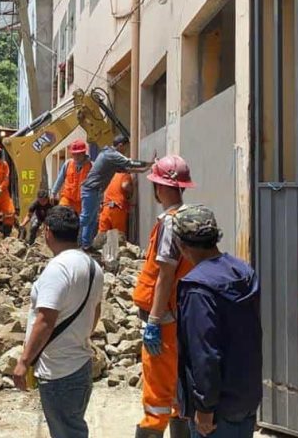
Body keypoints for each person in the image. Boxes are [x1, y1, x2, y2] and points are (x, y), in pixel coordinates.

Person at [172, 204, 262, 438]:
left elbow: (205, 353)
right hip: (245, 396)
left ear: (182, 245)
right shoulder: (243, 272)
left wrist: (204, 407)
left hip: (216, 411)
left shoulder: (197, 289)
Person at [13, 206, 103, 438]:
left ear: (47, 232)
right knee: (72, 428)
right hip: (80, 364)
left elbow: (45, 321)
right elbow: (96, 311)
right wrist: (79, 336)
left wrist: (24, 362)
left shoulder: (58, 269)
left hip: (59, 370)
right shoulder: (92, 267)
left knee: (66, 432)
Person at [132, 155, 197, 438]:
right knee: (175, 384)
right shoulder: (188, 217)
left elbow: (165, 275)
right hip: (177, 313)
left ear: (158, 187)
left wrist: (154, 321)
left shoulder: (170, 223)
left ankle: (151, 430)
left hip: (163, 315)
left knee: (158, 388)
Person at [78, 135, 147, 249]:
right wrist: (148, 164)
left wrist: (143, 170)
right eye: (126, 148)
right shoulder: (112, 156)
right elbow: (128, 165)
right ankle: (68, 236)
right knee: (86, 219)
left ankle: (86, 245)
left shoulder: (110, 162)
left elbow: (126, 168)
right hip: (107, 201)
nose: (126, 151)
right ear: (120, 145)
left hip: (101, 199)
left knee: (91, 221)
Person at [51, 139, 91, 214]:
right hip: (67, 198)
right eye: (74, 154)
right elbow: (60, 179)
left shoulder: (91, 166)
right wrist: (53, 193)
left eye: (78, 154)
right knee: (60, 214)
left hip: (82, 201)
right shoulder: (68, 163)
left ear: (84, 153)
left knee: (80, 220)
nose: (76, 156)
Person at [98, 172, 133, 236]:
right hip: (117, 209)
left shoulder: (110, 174)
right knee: (118, 237)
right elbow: (125, 185)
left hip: (105, 208)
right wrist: (131, 191)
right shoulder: (124, 174)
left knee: (102, 236)